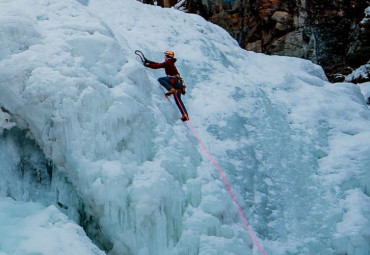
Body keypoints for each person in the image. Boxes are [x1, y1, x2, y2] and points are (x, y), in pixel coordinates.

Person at [143, 50, 189, 121]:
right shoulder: (169, 62)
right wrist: (150, 62)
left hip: (174, 80)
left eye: (165, 56)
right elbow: (159, 64)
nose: (164, 57)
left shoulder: (168, 62)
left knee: (161, 79)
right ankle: (185, 115)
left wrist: (147, 65)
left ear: (168, 56)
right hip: (179, 82)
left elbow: (158, 66)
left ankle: (170, 89)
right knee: (178, 100)